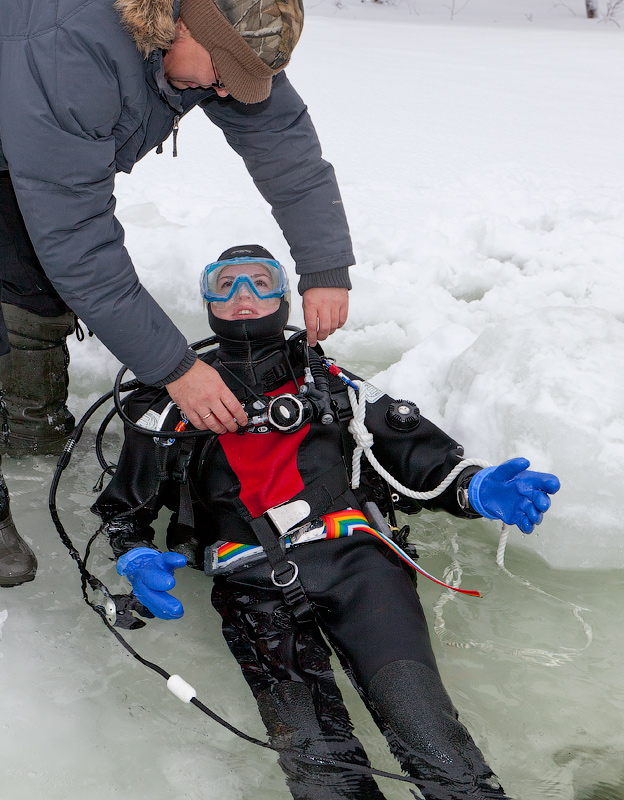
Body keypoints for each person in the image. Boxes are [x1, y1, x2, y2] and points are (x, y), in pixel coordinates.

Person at [0, 0, 353, 586]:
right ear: (183, 24)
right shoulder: (72, 49)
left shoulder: (232, 31)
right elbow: (77, 239)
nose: (224, 91)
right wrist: (174, 367)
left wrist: (325, 266)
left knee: (29, 247)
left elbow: (282, 138)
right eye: (222, 71)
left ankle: (27, 419)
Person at [91, 245, 560, 800]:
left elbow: (416, 458)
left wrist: (474, 486)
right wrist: (136, 554)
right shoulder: (170, 404)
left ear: (285, 296)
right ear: (207, 298)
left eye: (260, 282)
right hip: (249, 585)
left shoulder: (333, 384)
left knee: (435, 743)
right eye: (226, 284)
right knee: (320, 767)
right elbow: (126, 507)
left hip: (359, 568)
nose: (243, 296)